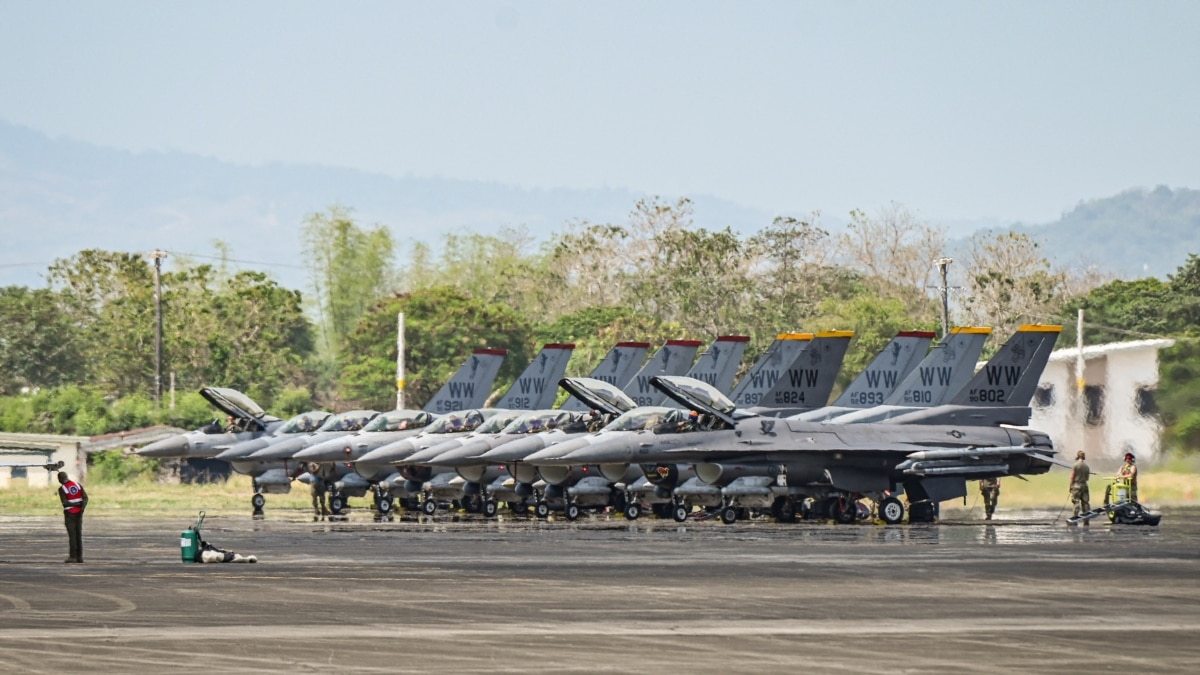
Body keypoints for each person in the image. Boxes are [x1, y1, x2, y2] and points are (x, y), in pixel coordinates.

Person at [57, 471, 88, 563]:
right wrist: (81, 507)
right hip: (79, 513)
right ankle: (80, 557)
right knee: (79, 535)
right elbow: (85, 498)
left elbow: (65, 503)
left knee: (72, 535)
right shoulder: (77, 485)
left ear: (60, 479)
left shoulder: (62, 489)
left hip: (70, 514)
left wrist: (73, 504)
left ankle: (73, 556)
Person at [1069, 450, 1091, 521]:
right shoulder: (1087, 466)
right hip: (1084, 485)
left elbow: (1072, 477)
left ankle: (1075, 518)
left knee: (1076, 502)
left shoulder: (1075, 465)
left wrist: (1070, 486)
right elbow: (1087, 478)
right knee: (1085, 502)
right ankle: (1086, 518)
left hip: (1076, 485)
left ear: (1078, 456)